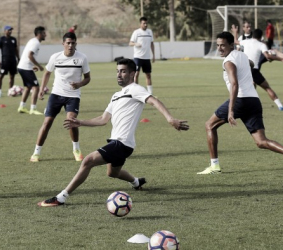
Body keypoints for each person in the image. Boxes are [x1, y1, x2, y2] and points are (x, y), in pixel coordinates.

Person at [37, 58, 189, 207]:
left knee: (88, 161)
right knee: (112, 173)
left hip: (122, 143)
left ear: (132, 74)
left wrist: (170, 119)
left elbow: (154, 101)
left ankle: (61, 197)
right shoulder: (116, 96)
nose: (119, 74)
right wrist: (80, 122)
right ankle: (136, 182)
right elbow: (103, 119)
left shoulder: (136, 89)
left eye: (123, 71)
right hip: (117, 143)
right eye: (117, 71)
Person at [197, 32, 283, 175]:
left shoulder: (228, 61)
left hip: (240, 100)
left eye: (223, 45)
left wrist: (230, 111)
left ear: (231, 45)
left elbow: (234, 84)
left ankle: (214, 166)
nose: (219, 48)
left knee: (209, 125)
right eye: (217, 45)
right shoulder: (242, 55)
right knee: (261, 141)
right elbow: (252, 64)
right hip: (254, 100)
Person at [30, 32, 91, 162]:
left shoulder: (82, 58)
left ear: (76, 43)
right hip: (56, 94)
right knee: (47, 123)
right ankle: (36, 152)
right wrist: (42, 89)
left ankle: (76, 149)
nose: (70, 45)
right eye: (68, 43)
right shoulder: (55, 57)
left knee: (71, 121)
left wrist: (79, 84)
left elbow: (88, 78)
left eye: (73, 43)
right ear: (63, 44)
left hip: (73, 96)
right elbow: (47, 73)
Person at [232, 26, 283, 111]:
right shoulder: (261, 45)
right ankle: (280, 106)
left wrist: (235, 32)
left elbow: (235, 41)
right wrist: (282, 59)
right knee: (266, 87)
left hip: (243, 69)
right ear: (260, 37)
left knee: (249, 88)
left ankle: (243, 106)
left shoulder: (246, 42)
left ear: (253, 35)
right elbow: (268, 57)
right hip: (253, 70)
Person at [17, 26, 46, 115]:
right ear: (39, 34)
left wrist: (32, 65)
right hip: (25, 67)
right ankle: (33, 109)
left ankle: (22, 107)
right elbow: (30, 55)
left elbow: (27, 55)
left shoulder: (32, 40)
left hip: (22, 67)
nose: (46, 35)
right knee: (36, 87)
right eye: (44, 33)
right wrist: (39, 66)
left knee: (28, 87)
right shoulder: (36, 43)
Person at [129, 16, 155, 94]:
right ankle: (136, 92)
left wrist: (153, 55)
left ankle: (150, 93)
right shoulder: (136, 32)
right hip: (138, 57)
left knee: (148, 75)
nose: (145, 25)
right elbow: (130, 43)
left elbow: (152, 44)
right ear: (140, 24)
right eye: (144, 23)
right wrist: (136, 44)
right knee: (136, 74)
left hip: (146, 58)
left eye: (146, 23)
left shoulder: (149, 32)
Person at [0, 25, 20, 98]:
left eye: (11, 30)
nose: (10, 31)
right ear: (5, 31)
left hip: (13, 61)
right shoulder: (1, 39)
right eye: (8, 30)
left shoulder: (13, 39)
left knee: (12, 76)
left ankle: (10, 91)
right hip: (5, 61)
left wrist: (18, 58)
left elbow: (16, 50)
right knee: (1, 76)